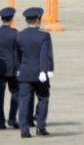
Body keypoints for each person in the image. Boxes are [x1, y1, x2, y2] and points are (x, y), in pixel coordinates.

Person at [15, 7, 54, 138]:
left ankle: (24, 130)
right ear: (38, 19)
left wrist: (19, 69)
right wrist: (46, 70)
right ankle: (40, 127)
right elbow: (46, 54)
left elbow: (18, 55)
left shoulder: (19, 35)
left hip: (25, 72)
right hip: (39, 73)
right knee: (43, 99)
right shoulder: (44, 35)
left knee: (24, 101)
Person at [0, 7, 19, 130]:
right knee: (16, 94)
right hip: (12, 68)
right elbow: (17, 52)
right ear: (12, 19)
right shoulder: (15, 33)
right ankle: (12, 119)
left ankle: (0, 122)